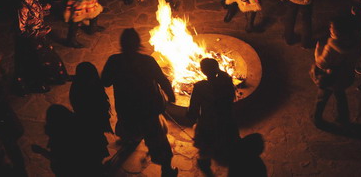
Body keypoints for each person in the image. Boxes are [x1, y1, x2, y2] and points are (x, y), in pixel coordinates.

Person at [101, 28, 178, 177]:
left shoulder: (114, 60)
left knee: (129, 127)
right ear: (138, 44)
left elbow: (105, 82)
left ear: (122, 44)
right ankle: (167, 170)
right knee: (158, 141)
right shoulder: (147, 61)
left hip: (126, 108)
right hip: (149, 110)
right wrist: (171, 96)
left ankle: (130, 140)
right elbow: (162, 80)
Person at [16, 0, 68, 93]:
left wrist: (43, 9)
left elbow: (34, 15)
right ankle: (37, 84)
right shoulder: (22, 6)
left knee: (49, 58)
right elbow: (21, 30)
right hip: (32, 40)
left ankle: (56, 77)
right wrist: (40, 33)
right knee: (36, 63)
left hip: (40, 35)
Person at [186, 58, 239, 173]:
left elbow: (194, 107)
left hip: (209, 120)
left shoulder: (200, 86)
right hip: (227, 117)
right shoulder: (226, 79)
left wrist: (191, 116)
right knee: (226, 135)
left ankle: (205, 163)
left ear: (202, 70)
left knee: (205, 142)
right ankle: (226, 150)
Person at [311, 16, 356, 128]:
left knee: (321, 98)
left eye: (332, 27)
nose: (330, 29)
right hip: (344, 76)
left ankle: (317, 119)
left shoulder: (332, 46)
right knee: (340, 96)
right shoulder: (353, 43)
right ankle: (343, 119)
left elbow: (321, 63)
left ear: (339, 30)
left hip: (330, 78)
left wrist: (317, 52)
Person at [70, 62, 113, 175]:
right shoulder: (80, 90)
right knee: (95, 146)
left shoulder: (88, 85)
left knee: (97, 144)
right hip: (90, 123)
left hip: (93, 122)